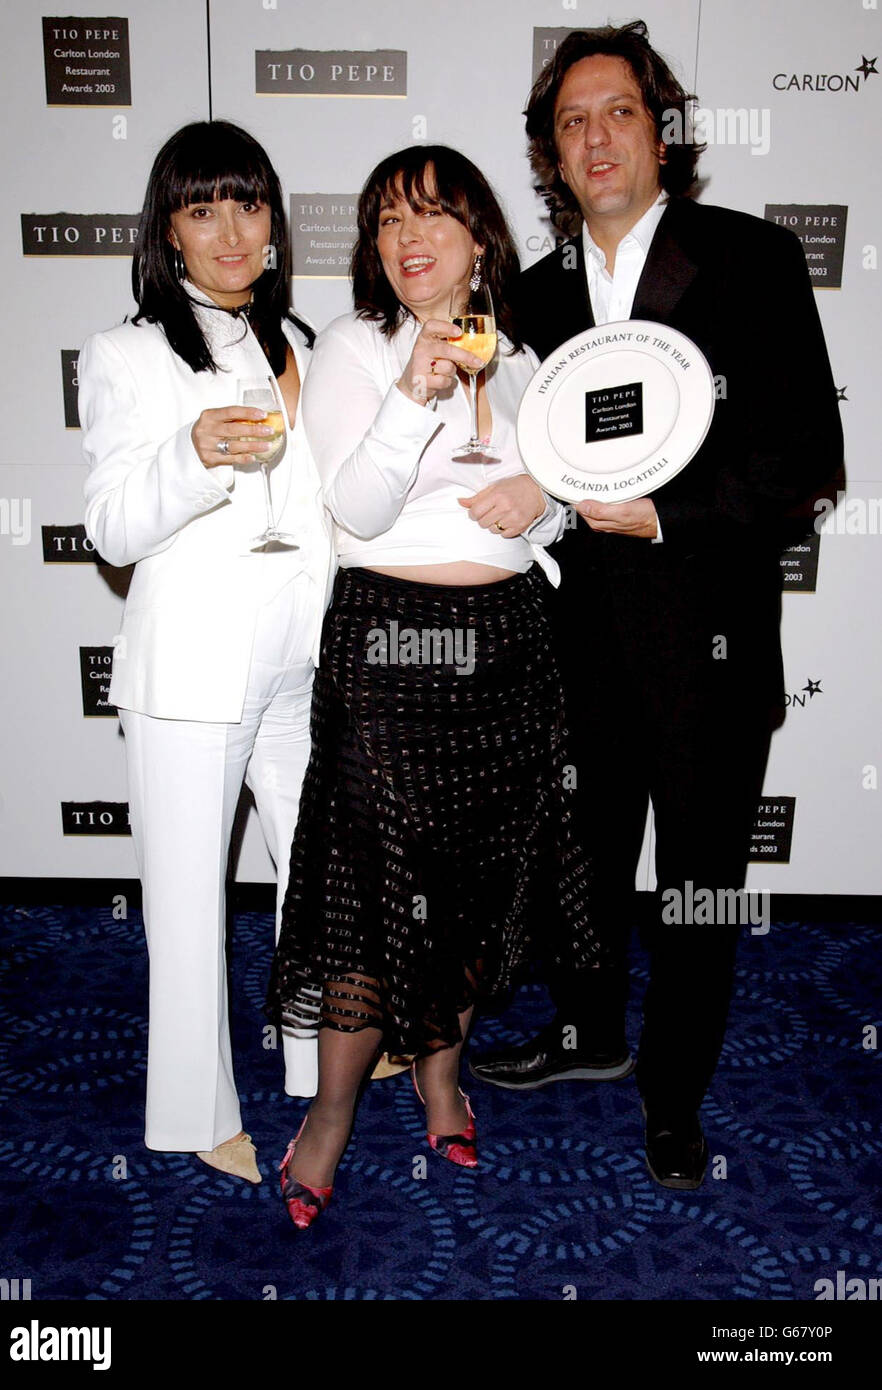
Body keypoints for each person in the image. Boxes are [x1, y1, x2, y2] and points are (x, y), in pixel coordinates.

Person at [470, 21, 843, 1190]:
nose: (595, 137)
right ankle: (588, 1031)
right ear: (547, 154)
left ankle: (672, 1096)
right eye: (571, 121)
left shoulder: (751, 260)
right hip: (573, 648)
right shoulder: (524, 301)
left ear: (662, 132)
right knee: (580, 865)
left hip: (707, 644)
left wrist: (672, 516)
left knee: (693, 882)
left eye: (618, 112)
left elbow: (804, 456)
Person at [266, 144, 600, 1228]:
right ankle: (329, 1114)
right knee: (369, 889)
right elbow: (355, 509)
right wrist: (416, 389)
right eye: (386, 223)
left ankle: (441, 1077)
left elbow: (559, 509)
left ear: (477, 238)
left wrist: (538, 502)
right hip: (386, 653)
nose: (407, 240)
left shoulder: (530, 358)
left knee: (464, 883)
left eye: (431, 218)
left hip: (506, 648)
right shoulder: (354, 349)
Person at [79, 120, 335, 1182]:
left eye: (248, 203)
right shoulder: (128, 354)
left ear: (273, 219)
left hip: (301, 669)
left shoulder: (307, 348)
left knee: (318, 884)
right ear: (168, 231)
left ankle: (319, 1066)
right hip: (188, 679)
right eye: (201, 208)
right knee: (187, 908)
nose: (230, 230)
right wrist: (189, 456)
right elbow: (109, 529)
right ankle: (193, 1111)